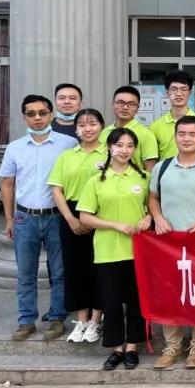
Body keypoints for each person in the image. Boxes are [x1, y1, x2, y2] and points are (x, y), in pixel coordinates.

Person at [148, 116, 195, 369]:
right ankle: (172, 346)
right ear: (175, 136)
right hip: (167, 243)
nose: (187, 138)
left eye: (193, 134)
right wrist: (158, 218)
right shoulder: (162, 167)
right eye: (182, 134)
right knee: (169, 293)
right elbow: (153, 197)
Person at [0, 95, 78, 341]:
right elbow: (8, 184)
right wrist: (9, 219)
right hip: (25, 218)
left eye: (42, 113)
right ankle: (26, 321)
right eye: (31, 114)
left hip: (57, 217)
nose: (37, 118)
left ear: (51, 115)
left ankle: (57, 318)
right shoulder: (15, 148)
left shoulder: (68, 144)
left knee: (60, 272)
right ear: (24, 117)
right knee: (26, 273)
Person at [76, 128, 152, 370]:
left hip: (138, 250)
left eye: (129, 146)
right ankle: (117, 348)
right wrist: (115, 225)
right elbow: (85, 217)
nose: (124, 150)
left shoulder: (143, 177)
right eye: (119, 145)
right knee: (111, 301)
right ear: (110, 147)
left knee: (136, 301)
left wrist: (149, 217)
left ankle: (132, 347)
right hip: (107, 250)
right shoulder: (96, 180)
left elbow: (154, 206)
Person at [48, 108, 106, 344]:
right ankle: (81, 320)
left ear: (102, 126)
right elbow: (56, 189)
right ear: (76, 129)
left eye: (93, 123)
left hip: (102, 214)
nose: (88, 128)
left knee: (99, 269)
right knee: (74, 268)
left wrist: (95, 218)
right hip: (71, 214)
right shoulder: (66, 156)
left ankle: (96, 320)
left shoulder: (111, 153)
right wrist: (71, 219)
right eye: (82, 124)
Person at [149, 70, 195, 160]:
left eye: (183, 89)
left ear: (190, 92)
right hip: (166, 169)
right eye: (174, 89)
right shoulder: (155, 127)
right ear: (167, 93)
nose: (179, 94)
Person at [99, 86, 159, 171]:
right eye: (120, 102)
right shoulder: (103, 132)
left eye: (131, 104)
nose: (125, 107)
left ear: (138, 108)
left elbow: (150, 170)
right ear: (113, 104)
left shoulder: (146, 134)